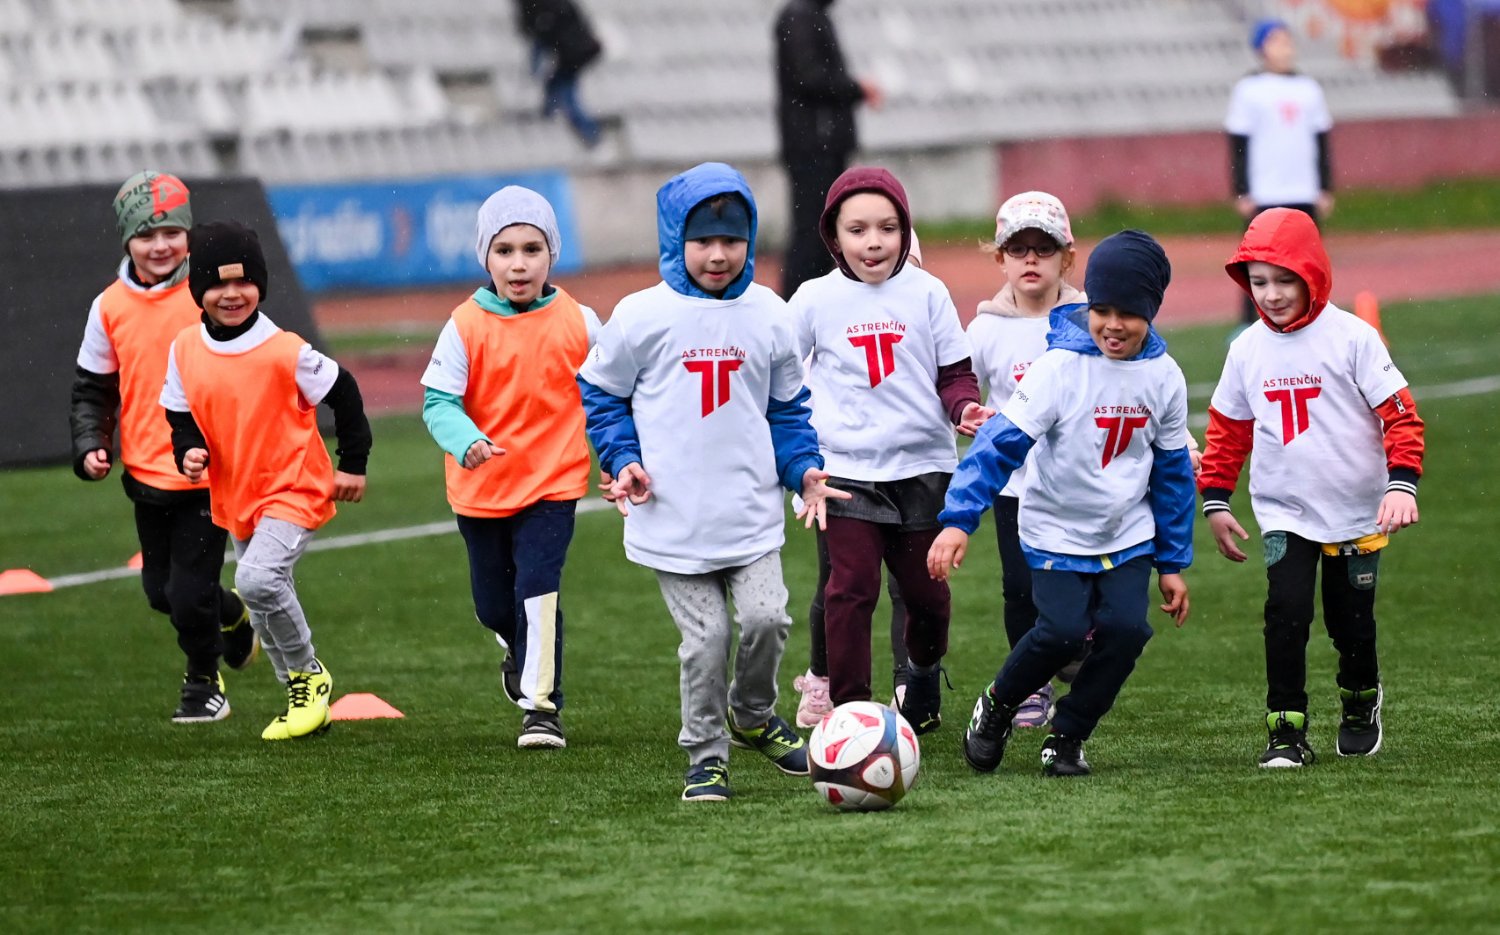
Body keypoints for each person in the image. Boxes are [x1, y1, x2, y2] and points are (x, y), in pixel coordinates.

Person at [578, 162, 847, 802]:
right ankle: (705, 752)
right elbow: (601, 393)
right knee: (708, 640)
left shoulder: (770, 314)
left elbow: (787, 409)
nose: (719, 254)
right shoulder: (641, 315)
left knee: (767, 620)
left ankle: (752, 714)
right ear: (675, 240)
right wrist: (622, 461)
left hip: (749, 514)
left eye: (732, 240)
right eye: (703, 241)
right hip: (672, 517)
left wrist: (803, 469)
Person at [930, 230, 1195, 778]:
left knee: (1126, 631)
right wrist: (959, 521)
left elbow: (1170, 475)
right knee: (1062, 633)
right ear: (1087, 303)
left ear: (1153, 313)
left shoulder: (1165, 378)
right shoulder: (1057, 368)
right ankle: (998, 704)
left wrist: (1171, 563)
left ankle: (1069, 734)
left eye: (1130, 313)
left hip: (1127, 535)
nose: (1113, 325)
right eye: (1102, 309)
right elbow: (998, 446)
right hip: (1054, 530)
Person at [1198, 208, 1424, 768]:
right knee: (1286, 613)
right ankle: (1286, 730)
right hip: (1285, 512)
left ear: (1313, 274)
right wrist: (1216, 500)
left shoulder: (1354, 337)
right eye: (1258, 282)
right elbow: (1227, 430)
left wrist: (1402, 485)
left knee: (1351, 625)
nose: (1270, 294)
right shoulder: (1246, 349)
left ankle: (1359, 701)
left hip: (1357, 511)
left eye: (1283, 280)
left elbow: (1401, 417)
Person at [790, 166, 990, 735]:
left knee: (928, 599)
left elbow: (953, 371)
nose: (873, 241)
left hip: (925, 468)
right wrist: (799, 459)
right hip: (846, 473)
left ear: (906, 231)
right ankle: (852, 715)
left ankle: (923, 668)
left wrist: (964, 409)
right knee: (850, 591)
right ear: (834, 235)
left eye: (887, 227)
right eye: (857, 230)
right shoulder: (811, 299)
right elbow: (782, 380)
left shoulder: (928, 293)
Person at [160, 220, 372, 741]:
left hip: (294, 484)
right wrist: (188, 450)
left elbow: (344, 393)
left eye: (244, 282)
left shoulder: (285, 349)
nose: (232, 294)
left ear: (260, 283)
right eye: (218, 284)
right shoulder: (185, 348)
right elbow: (179, 413)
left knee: (255, 579)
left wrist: (353, 464)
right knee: (260, 593)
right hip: (237, 492)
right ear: (196, 290)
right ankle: (301, 697)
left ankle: (308, 675)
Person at [69, 171, 255, 724]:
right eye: (147, 235)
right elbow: (92, 388)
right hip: (146, 475)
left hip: (205, 470)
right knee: (162, 593)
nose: (161, 245)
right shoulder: (108, 307)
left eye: (172, 232)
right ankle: (234, 615)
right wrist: (89, 444)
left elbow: (249, 363)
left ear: (189, 235)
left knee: (188, 593)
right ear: (127, 240)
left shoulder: (209, 292)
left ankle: (203, 681)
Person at [420, 186, 601, 749]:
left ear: (552, 254)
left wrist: (627, 457)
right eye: (503, 250)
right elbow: (438, 403)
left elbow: (615, 392)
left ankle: (541, 709)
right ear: (485, 257)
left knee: (537, 590)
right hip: (482, 489)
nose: (518, 263)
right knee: (494, 605)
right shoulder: (464, 325)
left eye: (531, 248)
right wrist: (467, 441)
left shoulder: (582, 321)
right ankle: (519, 653)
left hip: (554, 482)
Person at [790, 234, 929, 728]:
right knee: (841, 584)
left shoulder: (923, 306)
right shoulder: (823, 315)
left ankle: (906, 683)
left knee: (908, 588)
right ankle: (826, 679)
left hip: (909, 470)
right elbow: (792, 395)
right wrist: (802, 469)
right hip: (842, 471)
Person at [964, 191, 1089, 730]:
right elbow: (959, 388)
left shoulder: (1089, 320)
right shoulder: (986, 328)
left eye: (1045, 247)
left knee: (1082, 584)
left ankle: (1077, 645)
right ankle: (1032, 686)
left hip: (1079, 485)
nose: (1031, 259)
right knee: (1019, 587)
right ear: (1001, 259)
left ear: (1068, 256)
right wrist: (965, 413)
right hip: (1015, 486)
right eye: (1019, 249)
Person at [1226, 18, 1335, 326]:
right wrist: (1241, 189)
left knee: (1309, 261)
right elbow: (1238, 143)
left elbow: (1321, 140)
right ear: (1262, 48)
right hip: (1265, 191)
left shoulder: (1309, 88)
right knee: (1258, 262)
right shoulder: (1249, 89)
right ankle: (1251, 323)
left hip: (1304, 189)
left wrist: (1325, 186)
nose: (1285, 47)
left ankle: (1313, 318)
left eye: (1288, 40)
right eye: (1277, 40)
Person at [773, 0, 882, 299]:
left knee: (821, 230)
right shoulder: (799, 17)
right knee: (811, 230)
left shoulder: (811, 16)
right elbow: (809, 77)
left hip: (820, 144)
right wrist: (856, 89)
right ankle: (796, 305)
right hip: (812, 147)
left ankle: (814, 302)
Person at [516, 0, 603, 146]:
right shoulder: (553, 10)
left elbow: (537, 32)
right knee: (556, 85)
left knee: (565, 92)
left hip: (575, 53)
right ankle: (549, 115)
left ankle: (590, 135)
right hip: (578, 51)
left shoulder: (546, 12)